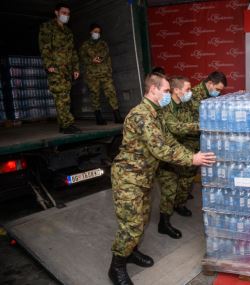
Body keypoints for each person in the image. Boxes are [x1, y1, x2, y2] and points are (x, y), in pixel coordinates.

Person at [108, 73, 215, 285]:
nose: (168, 94)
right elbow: (161, 150)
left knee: (141, 219)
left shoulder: (156, 114)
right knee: (132, 225)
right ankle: (116, 266)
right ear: (153, 89)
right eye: (166, 91)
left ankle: (131, 252)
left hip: (144, 177)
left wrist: (193, 156)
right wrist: (191, 158)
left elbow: (170, 142)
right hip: (128, 178)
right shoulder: (142, 115)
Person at [157, 76, 199, 239]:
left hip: (183, 151)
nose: (190, 93)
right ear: (176, 90)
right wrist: (201, 125)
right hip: (167, 156)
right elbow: (175, 128)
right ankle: (164, 223)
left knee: (185, 183)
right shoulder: (164, 107)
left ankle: (179, 205)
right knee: (169, 189)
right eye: (188, 89)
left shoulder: (185, 104)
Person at [39, 2, 81, 134]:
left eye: (68, 14)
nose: (66, 15)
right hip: (56, 68)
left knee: (65, 96)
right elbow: (44, 47)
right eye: (63, 13)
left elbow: (73, 51)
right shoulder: (47, 27)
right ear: (56, 12)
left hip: (67, 69)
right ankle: (66, 124)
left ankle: (64, 124)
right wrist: (49, 64)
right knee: (61, 96)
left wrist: (76, 68)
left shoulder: (68, 31)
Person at [79, 23, 123, 125]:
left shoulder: (103, 44)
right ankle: (98, 117)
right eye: (95, 31)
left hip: (105, 74)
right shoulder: (85, 45)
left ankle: (117, 115)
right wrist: (91, 60)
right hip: (92, 75)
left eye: (98, 32)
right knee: (95, 95)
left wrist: (99, 60)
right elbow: (82, 58)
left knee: (111, 93)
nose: (97, 33)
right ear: (91, 32)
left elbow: (105, 55)